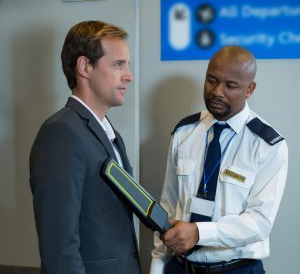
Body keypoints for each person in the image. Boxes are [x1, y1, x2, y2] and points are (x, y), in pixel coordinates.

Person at [150, 45, 288, 274]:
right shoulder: (184, 133)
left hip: (237, 269)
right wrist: (157, 267)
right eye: (211, 80)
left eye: (230, 85)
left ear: (250, 89)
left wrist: (199, 232)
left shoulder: (268, 146)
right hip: (180, 267)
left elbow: (259, 223)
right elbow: (168, 207)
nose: (217, 91)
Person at [29, 21, 141, 274]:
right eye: (118, 64)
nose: (129, 75)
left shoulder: (108, 132)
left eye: (128, 64)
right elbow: (60, 248)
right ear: (85, 67)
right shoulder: (61, 134)